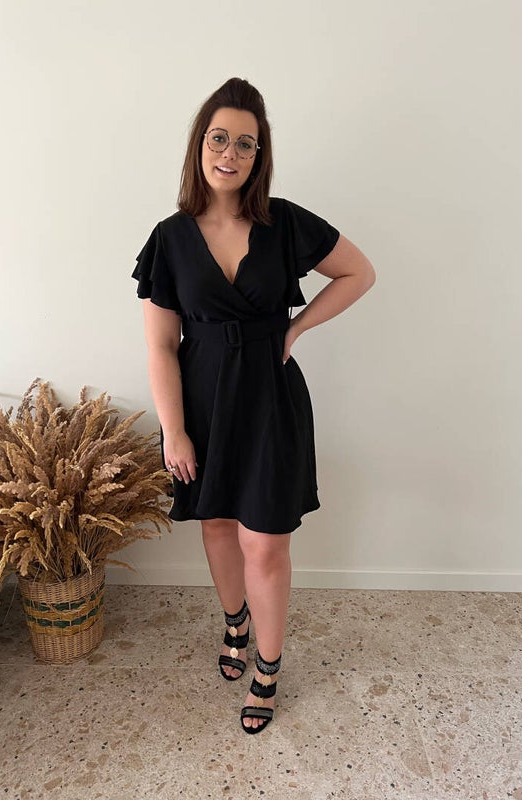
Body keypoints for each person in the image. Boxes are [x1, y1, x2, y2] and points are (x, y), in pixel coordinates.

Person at [132, 77, 375, 733]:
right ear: (200, 145)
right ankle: (234, 621)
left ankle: (267, 664)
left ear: (259, 154)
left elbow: (359, 272)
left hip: (270, 396)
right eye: (219, 138)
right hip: (202, 398)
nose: (230, 153)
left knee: (264, 542)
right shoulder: (170, 238)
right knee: (216, 525)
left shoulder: (284, 222)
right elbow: (160, 345)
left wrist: (296, 328)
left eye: (246, 143)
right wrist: (174, 431)